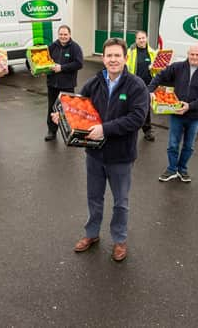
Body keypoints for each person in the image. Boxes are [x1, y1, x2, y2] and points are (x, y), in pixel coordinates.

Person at [52, 38, 148, 262]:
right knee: (94, 197)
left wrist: (105, 128)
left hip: (121, 156)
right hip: (94, 154)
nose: (113, 60)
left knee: (120, 202)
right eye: (109, 56)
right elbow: (77, 106)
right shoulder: (94, 82)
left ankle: (119, 240)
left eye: (117, 55)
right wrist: (62, 115)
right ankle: (91, 234)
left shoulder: (136, 85)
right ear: (103, 58)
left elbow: (137, 118)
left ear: (125, 58)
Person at [148, 44, 198, 183]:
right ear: (188, 54)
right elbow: (160, 75)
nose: (194, 57)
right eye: (192, 54)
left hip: (194, 116)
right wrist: (150, 90)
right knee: (173, 143)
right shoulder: (177, 67)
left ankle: (182, 169)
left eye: (197, 54)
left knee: (189, 146)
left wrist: (190, 106)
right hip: (176, 113)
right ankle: (172, 169)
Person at [44, 25, 84, 141]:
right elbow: (46, 61)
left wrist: (62, 67)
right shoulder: (52, 47)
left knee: (68, 110)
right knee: (52, 108)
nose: (63, 36)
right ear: (58, 35)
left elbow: (79, 63)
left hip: (67, 85)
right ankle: (52, 131)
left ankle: (70, 132)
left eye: (65, 34)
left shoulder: (75, 48)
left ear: (70, 35)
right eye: (61, 34)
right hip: (52, 84)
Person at [126, 30, 157, 141]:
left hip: (148, 86)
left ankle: (147, 130)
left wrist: (155, 69)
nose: (142, 40)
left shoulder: (153, 52)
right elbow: (125, 67)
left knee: (146, 109)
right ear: (136, 40)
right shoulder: (130, 52)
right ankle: (129, 130)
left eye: (143, 38)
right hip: (133, 85)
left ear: (147, 38)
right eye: (139, 38)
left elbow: (157, 71)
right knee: (131, 107)